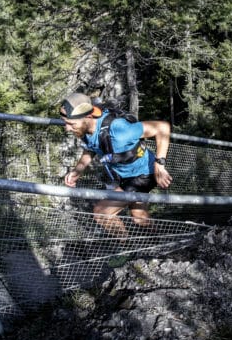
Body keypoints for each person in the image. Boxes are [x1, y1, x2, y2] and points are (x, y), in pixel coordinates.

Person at [59, 92, 172, 238]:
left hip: (144, 173)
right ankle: (159, 242)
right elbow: (93, 147)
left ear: (88, 116)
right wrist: (78, 170)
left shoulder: (119, 129)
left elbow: (162, 127)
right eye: (65, 122)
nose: (67, 128)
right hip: (125, 175)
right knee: (139, 218)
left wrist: (160, 165)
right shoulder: (86, 129)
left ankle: (126, 247)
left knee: (102, 213)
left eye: (71, 124)